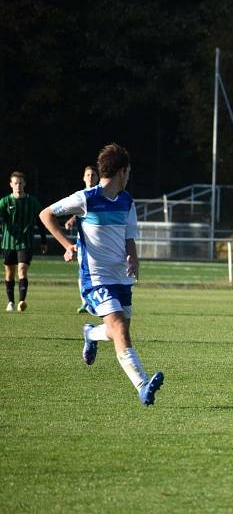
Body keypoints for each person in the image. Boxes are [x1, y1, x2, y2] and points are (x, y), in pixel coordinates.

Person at [39, 143, 165, 406]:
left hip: (121, 278)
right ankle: (142, 386)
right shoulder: (86, 198)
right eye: (128, 171)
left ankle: (90, 333)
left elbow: (129, 235)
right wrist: (67, 245)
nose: (128, 176)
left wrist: (133, 256)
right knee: (120, 329)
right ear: (121, 171)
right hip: (95, 279)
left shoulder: (126, 201)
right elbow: (46, 214)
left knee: (116, 330)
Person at [1, 171, 48, 312]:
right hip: (8, 243)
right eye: (15, 183)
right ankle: (11, 302)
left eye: (20, 183)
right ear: (11, 185)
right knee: (9, 273)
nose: (18, 186)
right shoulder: (4, 202)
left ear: (24, 184)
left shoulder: (32, 201)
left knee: (22, 269)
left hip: (25, 242)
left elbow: (41, 221)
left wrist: (44, 240)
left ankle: (22, 301)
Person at [66, 165, 99, 313]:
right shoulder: (81, 195)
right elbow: (79, 210)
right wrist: (72, 219)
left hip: (99, 241)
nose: (90, 177)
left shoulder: (100, 194)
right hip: (83, 242)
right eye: (88, 175)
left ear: (98, 178)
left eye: (93, 175)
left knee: (98, 271)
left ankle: (97, 299)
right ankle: (85, 301)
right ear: (83, 177)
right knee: (83, 270)